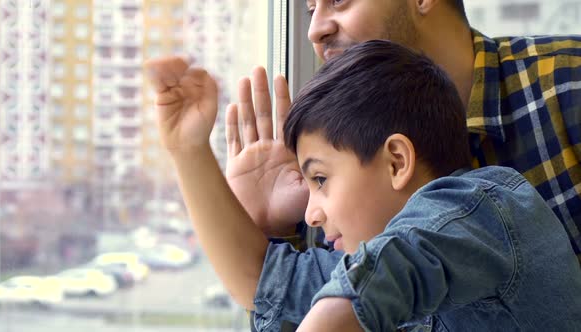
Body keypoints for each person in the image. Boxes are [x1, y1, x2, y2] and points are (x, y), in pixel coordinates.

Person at [144, 40, 581, 331]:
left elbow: (388, 270)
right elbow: (261, 284)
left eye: (320, 179)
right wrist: (189, 151)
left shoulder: (488, 206)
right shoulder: (366, 255)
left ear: (396, 161)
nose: (310, 213)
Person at [225, 0, 581, 260]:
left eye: (337, 1)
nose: (315, 30)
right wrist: (269, 228)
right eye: (310, 9)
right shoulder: (342, 183)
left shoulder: (567, 86)